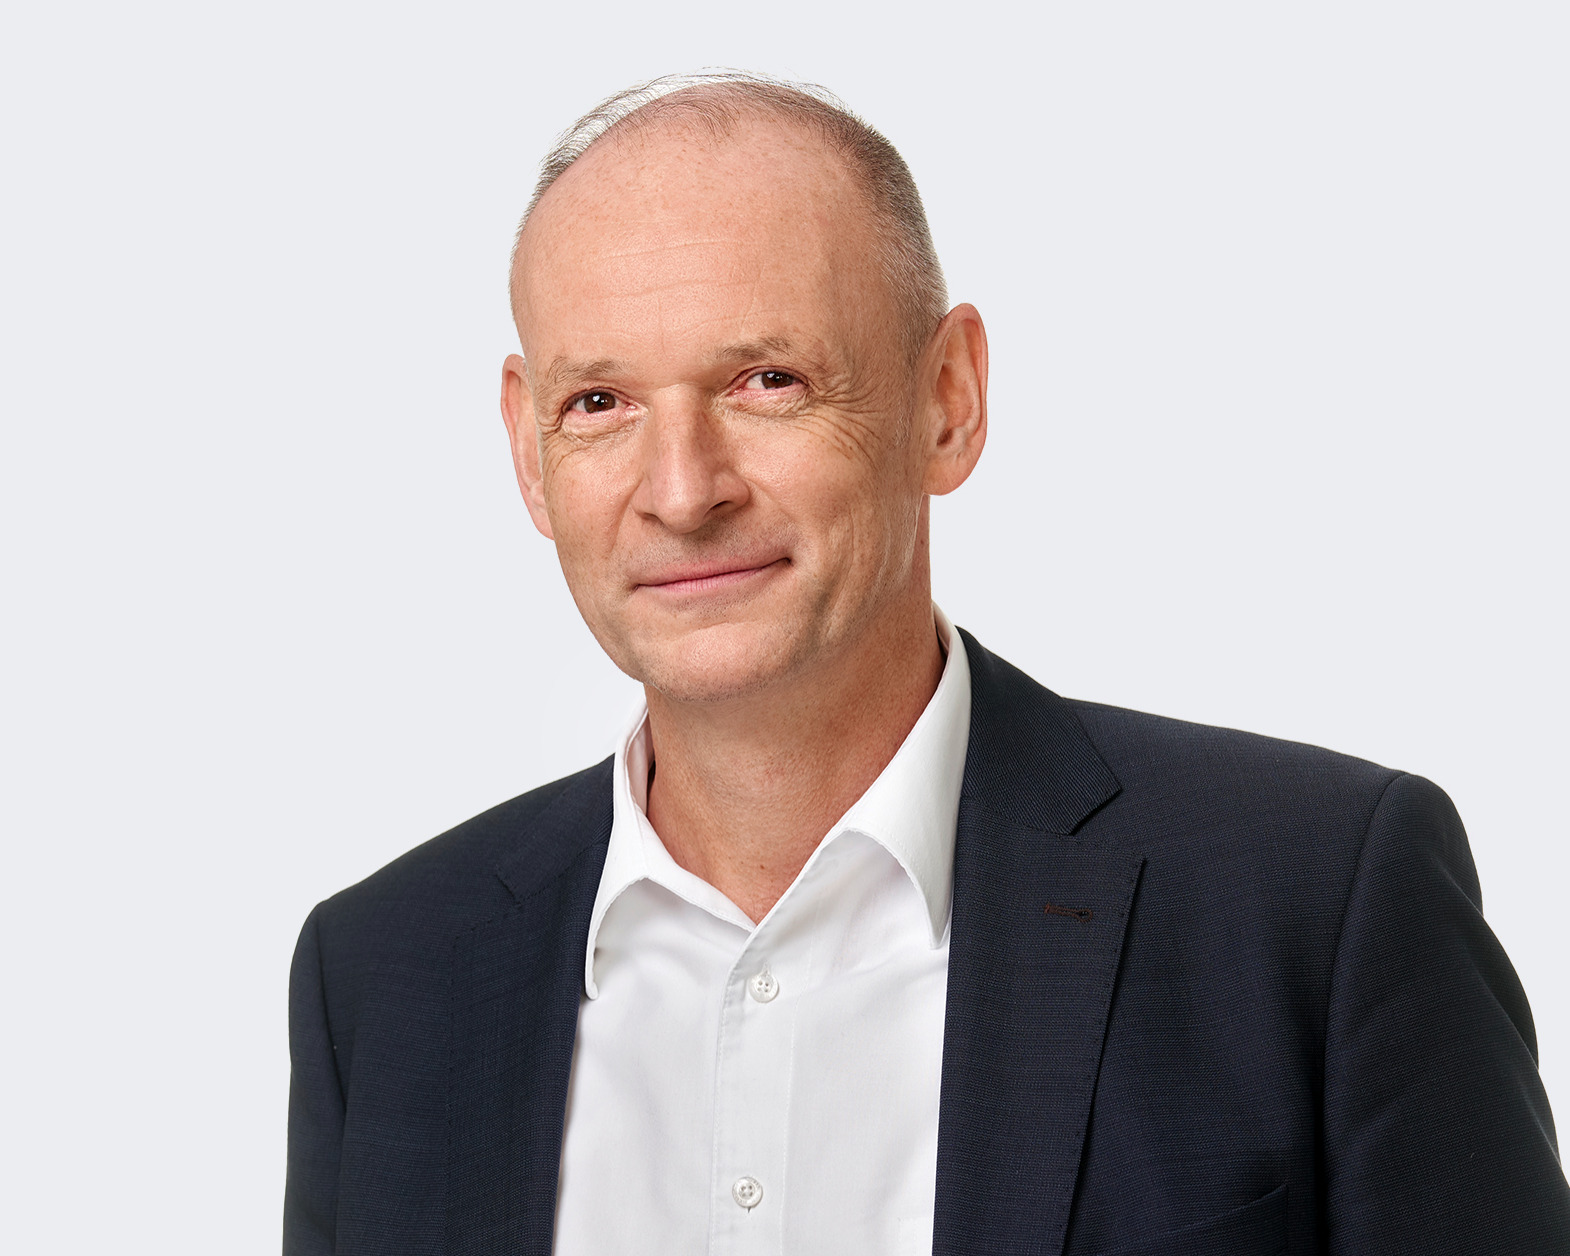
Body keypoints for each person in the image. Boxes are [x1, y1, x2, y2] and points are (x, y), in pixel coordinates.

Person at [283, 71, 1570, 1255]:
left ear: (946, 399)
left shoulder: (1317, 905)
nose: (680, 490)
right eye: (599, 403)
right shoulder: (384, 979)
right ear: (528, 450)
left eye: (766, 379)